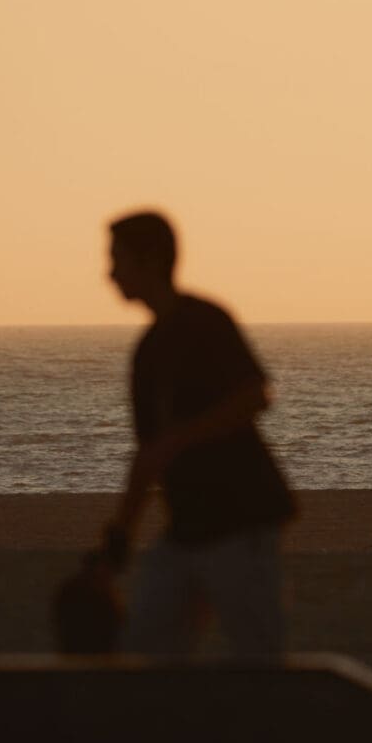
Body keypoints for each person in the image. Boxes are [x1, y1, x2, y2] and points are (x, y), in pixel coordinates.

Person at [100, 211, 296, 657]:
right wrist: (119, 539)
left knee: (259, 657)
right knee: (146, 650)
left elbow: (255, 396)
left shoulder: (206, 321)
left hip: (242, 520)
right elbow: (148, 455)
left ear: (150, 261)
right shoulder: (147, 353)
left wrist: (181, 438)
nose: (109, 273)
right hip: (187, 528)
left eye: (118, 260)